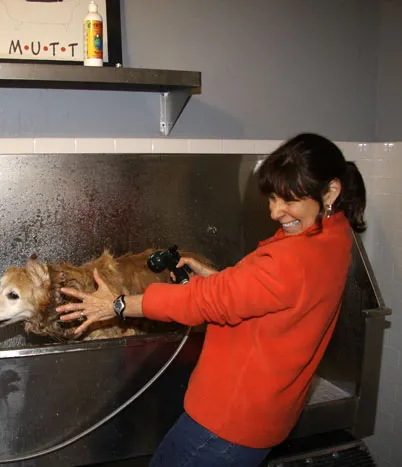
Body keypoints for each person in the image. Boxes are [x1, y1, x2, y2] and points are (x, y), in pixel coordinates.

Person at [56, 132, 367, 467]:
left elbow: (202, 302)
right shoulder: (334, 239)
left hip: (227, 424)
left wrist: (117, 304)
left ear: (331, 191)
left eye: (288, 200)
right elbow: (269, 296)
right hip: (266, 414)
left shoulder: (291, 260)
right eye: (272, 199)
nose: (276, 212)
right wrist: (219, 279)